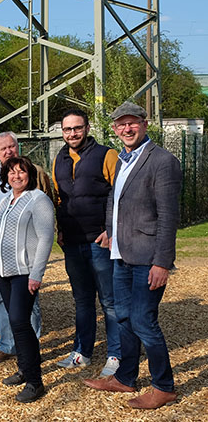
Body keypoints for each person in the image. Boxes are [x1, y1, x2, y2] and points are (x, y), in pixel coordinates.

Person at [83, 102, 181, 410]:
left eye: (132, 123)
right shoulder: (123, 159)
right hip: (120, 254)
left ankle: (163, 386)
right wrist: (110, 231)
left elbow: (168, 216)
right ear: (114, 129)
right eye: (120, 125)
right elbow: (116, 198)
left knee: (142, 320)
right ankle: (125, 378)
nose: (126, 129)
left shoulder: (163, 161)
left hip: (148, 257)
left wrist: (163, 262)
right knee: (124, 317)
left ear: (144, 123)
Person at [52, 109, 121, 377]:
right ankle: (82, 351)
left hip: (99, 240)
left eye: (77, 128)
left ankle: (117, 354)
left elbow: (119, 194)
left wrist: (111, 229)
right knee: (82, 300)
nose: (72, 133)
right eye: (67, 129)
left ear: (87, 127)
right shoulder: (59, 158)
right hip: (72, 240)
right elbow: (60, 198)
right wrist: (60, 229)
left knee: (110, 301)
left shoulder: (107, 154)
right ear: (62, 132)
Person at [0, 156, 55, 403]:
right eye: (11, 172)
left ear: (29, 174)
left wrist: (37, 274)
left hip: (24, 273)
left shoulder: (38, 199)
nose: (16, 176)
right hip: (3, 272)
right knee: (16, 324)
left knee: (20, 322)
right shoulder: (5, 201)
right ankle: (25, 369)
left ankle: (35, 381)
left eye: (21, 172)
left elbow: (46, 238)